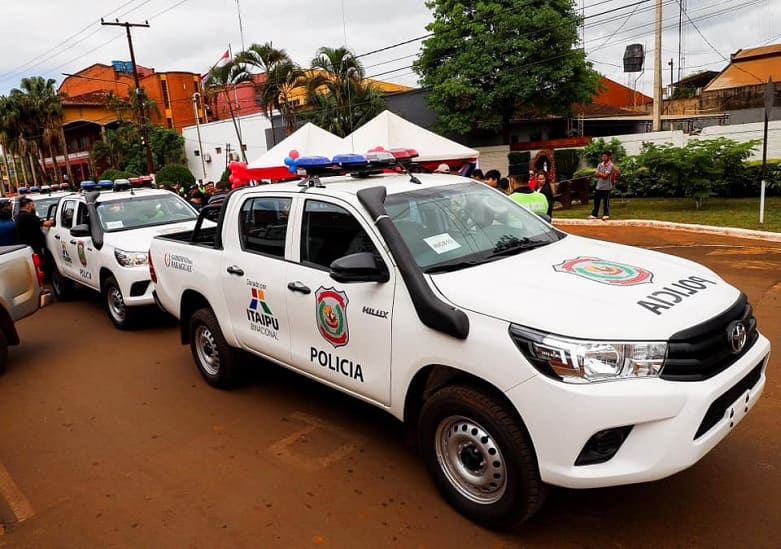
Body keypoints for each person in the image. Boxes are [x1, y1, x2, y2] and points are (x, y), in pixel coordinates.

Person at [15, 197, 55, 279]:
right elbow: (46, 224)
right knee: (40, 264)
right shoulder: (28, 216)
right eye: (33, 205)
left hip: (28, 244)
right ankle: (44, 280)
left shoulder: (19, 216)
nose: (34, 207)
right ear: (28, 205)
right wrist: (55, 221)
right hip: (35, 246)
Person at [590, 152, 618, 220]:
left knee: (606, 201)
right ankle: (595, 214)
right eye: (603, 156)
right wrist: (600, 174)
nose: (603, 158)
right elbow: (596, 175)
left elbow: (606, 176)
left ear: (609, 157)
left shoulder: (611, 165)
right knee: (596, 201)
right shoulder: (600, 165)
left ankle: (606, 214)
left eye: (605, 156)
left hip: (607, 186)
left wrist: (599, 174)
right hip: (599, 186)